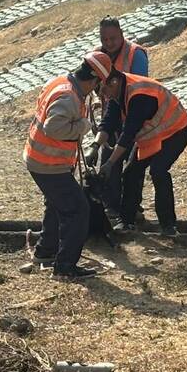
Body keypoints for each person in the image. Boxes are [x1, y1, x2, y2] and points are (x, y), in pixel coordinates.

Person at [23, 51, 113, 278]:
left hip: (41, 159)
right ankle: (65, 267)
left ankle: (45, 250)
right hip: (48, 163)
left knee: (56, 204)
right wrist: (82, 126)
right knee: (78, 210)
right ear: (94, 82)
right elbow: (53, 128)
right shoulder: (69, 97)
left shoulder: (61, 82)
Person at [88, 68, 187, 237]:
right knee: (131, 172)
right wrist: (94, 146)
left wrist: (109, 163)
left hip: (175, 131)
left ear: (113, 82)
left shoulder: (139, 95)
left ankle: (168, 226)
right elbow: (108, 123)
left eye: (104, 90)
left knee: (158, 171)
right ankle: (127, 221)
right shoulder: (119, 91)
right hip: (153, 135)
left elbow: (128, 134)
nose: (105, 96)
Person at [86, 16, 148, 224]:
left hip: (133, 114)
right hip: (110, 112)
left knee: (132, 164)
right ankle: (111, 206)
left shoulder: (135, 55)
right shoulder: (98, 55)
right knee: (108, 162)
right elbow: (92, 84)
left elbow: (137, 89)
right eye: (105, 39)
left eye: (113, 38)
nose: (109, 43)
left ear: (121, 35)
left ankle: (132, 207)